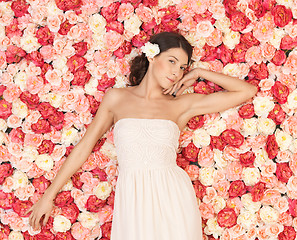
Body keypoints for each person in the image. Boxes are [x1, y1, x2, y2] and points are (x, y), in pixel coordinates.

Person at [26, 31, 257, 239]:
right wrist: (48, 196)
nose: (176, 72)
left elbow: (247, 91)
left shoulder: (181, 105)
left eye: (183, 67)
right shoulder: (117, 98)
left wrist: (199, 72)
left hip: (174, 199)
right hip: (133, 201)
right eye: (172, 62)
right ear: (152, 56)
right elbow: (85, 146)